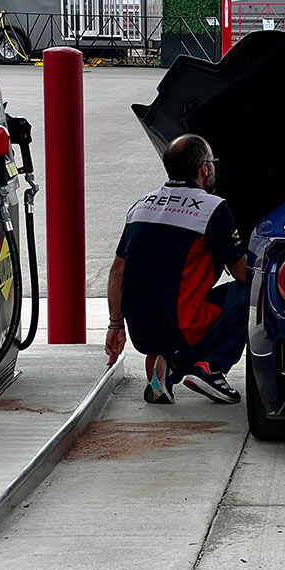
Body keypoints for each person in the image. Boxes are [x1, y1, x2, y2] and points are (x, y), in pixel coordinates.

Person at [105, 134, 247, 405]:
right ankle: (211, 368)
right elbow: (242, 274)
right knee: (251, 294)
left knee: (184, 306)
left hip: (141, 332)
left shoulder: (141, 206)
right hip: (181, 325)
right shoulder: (212, 208)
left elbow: (117, 271)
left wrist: (115, 324)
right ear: (204, 168)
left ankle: (168, 368)